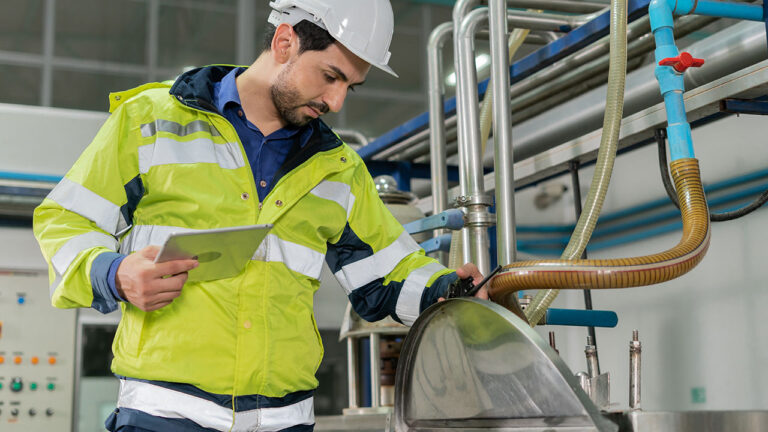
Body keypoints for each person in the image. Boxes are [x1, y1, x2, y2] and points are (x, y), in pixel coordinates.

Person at [33, 0, 486, 431]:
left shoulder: (339, 168)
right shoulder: (150, 121)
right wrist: (114, 274)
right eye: (331, 76)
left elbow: (387, 271)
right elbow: (66, 220)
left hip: (285, 419)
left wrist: (449, 289)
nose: (337, 101)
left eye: (350, 85)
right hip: (166, 413)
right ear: (285, 42)